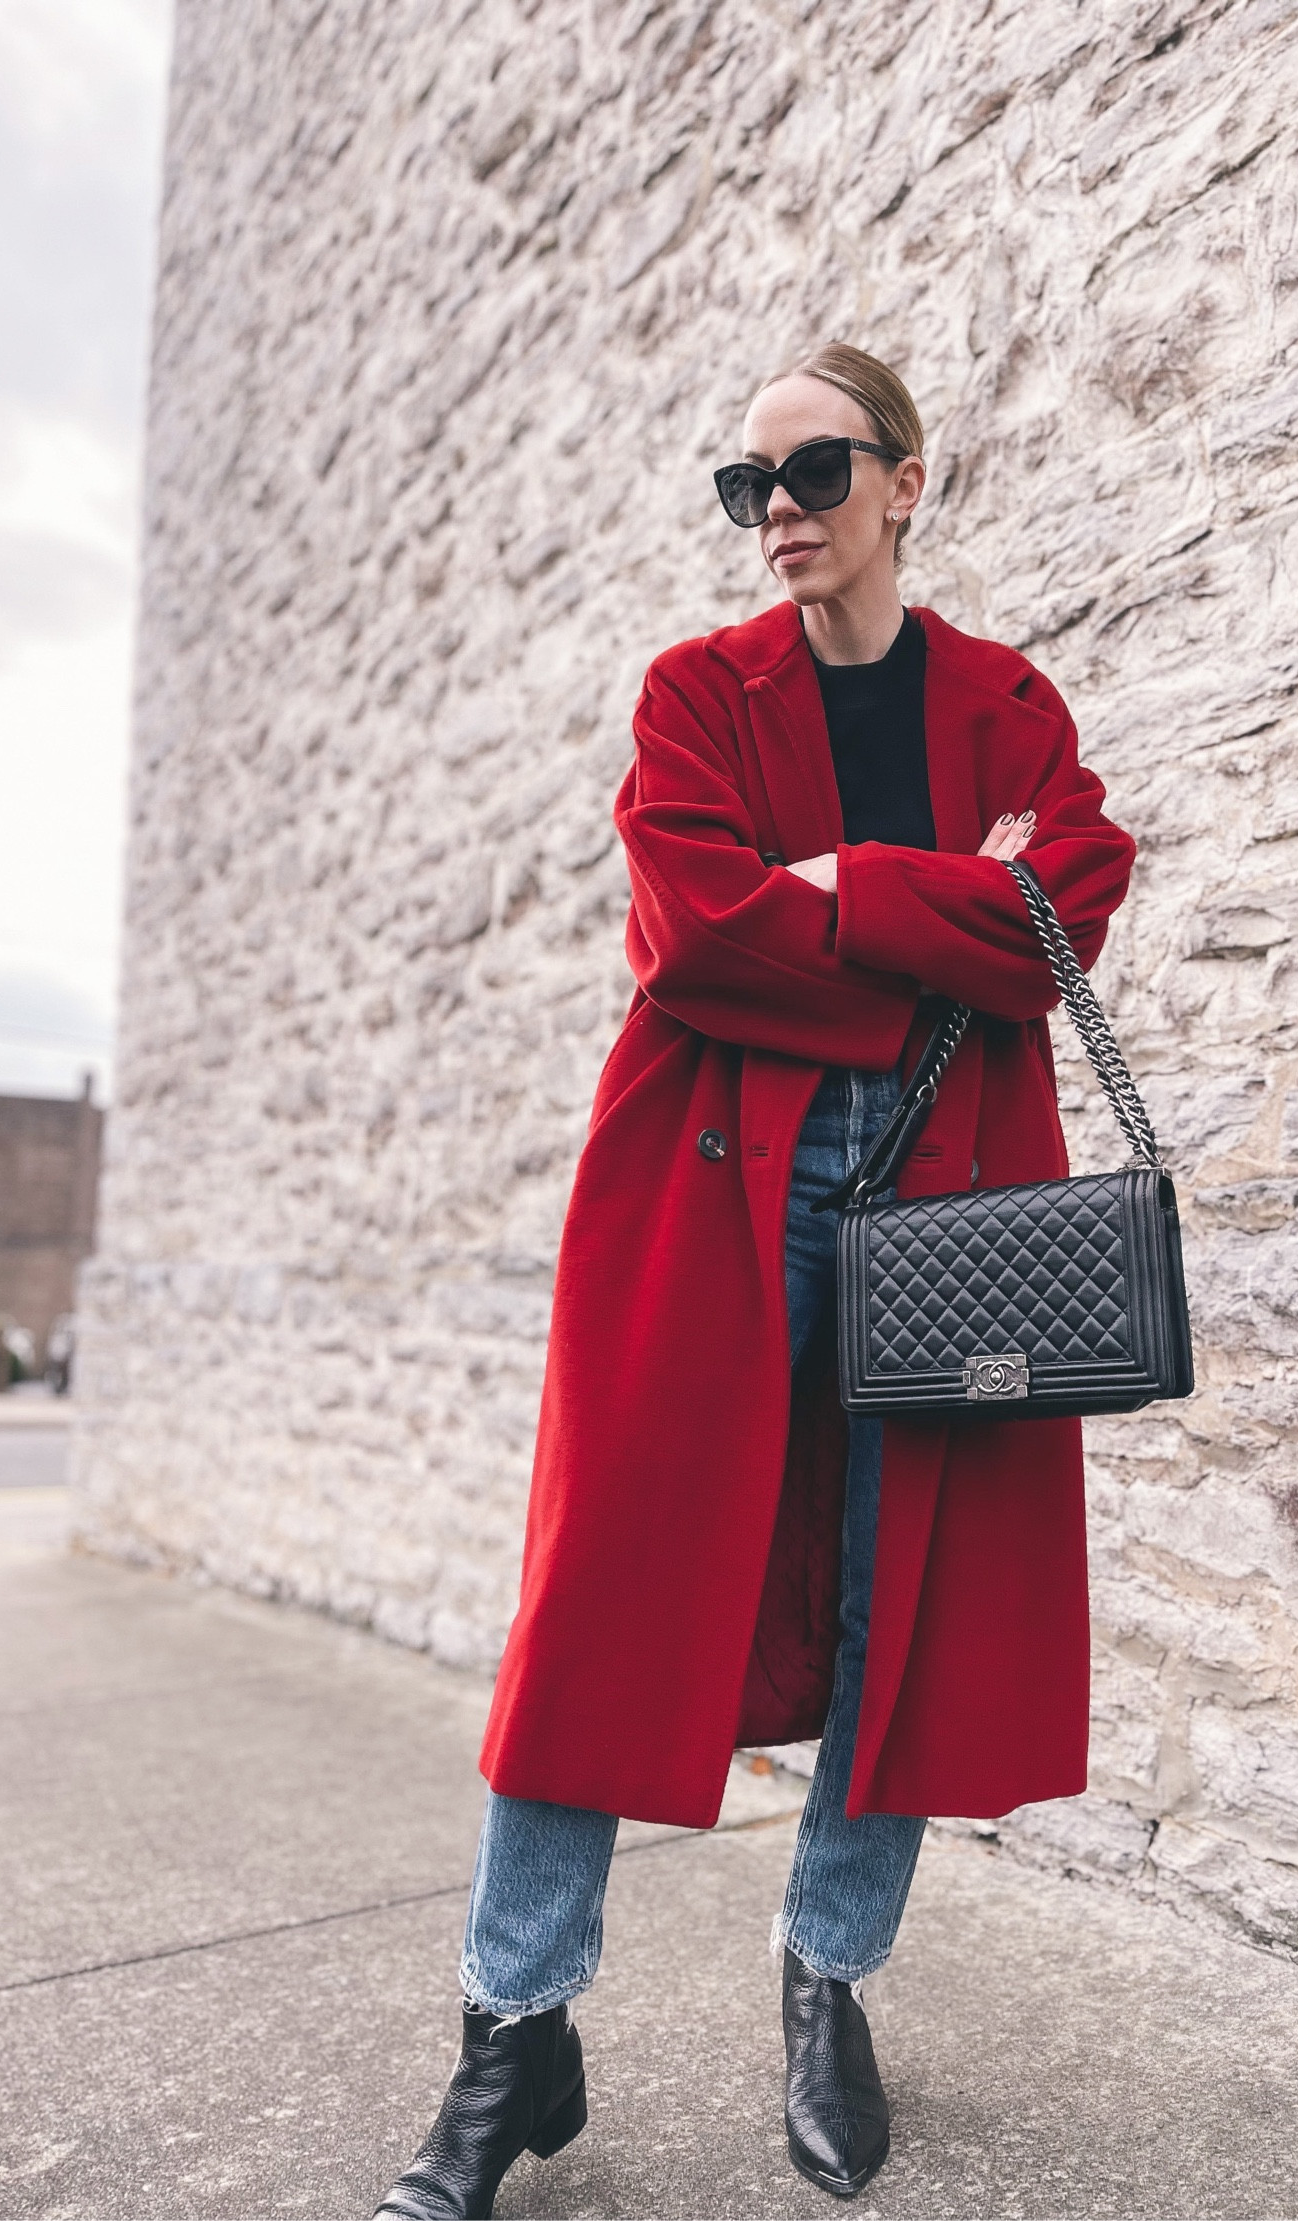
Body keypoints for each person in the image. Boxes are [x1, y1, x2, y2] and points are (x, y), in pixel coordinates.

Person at [374, 342, 1135, 2217]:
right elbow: (695, 931)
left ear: (907, 482)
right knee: (602, 1600)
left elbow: (1064, 917)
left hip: (949, 1199)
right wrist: (935, 901)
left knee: (909, 1592)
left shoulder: (1008, 700)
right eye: (747, 483)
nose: (775, 508)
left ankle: (831, 1976)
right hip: (714, 1190)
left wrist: (842, 880)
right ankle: (512, 2029)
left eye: (813, 469)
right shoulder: (694, 695)